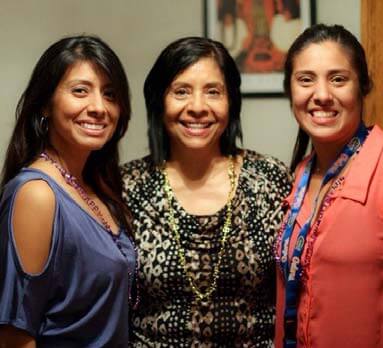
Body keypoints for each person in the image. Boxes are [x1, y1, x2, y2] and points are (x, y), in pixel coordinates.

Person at [121, 36, 291, 347]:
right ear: (159, 101)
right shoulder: (126, 187)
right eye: (181, 91)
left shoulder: (269, 179)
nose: (198, 107)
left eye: (213, 92)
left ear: (232, 101)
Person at [0, 35, 137, 347]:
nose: (99, 108)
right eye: (80, 91)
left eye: (110, 94)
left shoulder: (98, 187)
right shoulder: (36, 194)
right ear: (46, 104)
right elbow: (14, 336)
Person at [275, 24, 383, 348]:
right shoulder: (299, 175)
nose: (321, 95)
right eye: (306, 79)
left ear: (362, 87)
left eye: (338, 79)